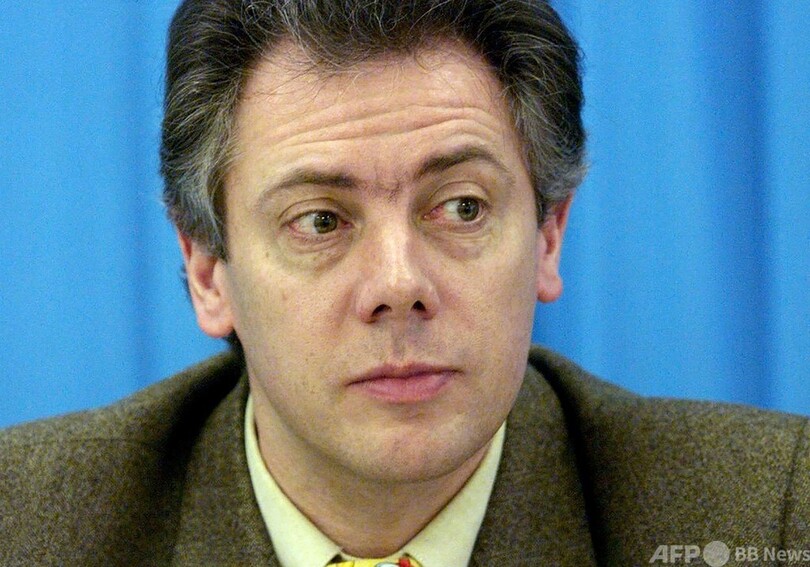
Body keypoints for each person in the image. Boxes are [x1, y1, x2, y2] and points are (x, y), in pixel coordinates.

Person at [1, 1, 807, 565]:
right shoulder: (27, 526)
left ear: (548, 236)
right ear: (209, 270)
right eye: (320, 220)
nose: (399, 283)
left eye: (461, 207)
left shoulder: (767, 514)